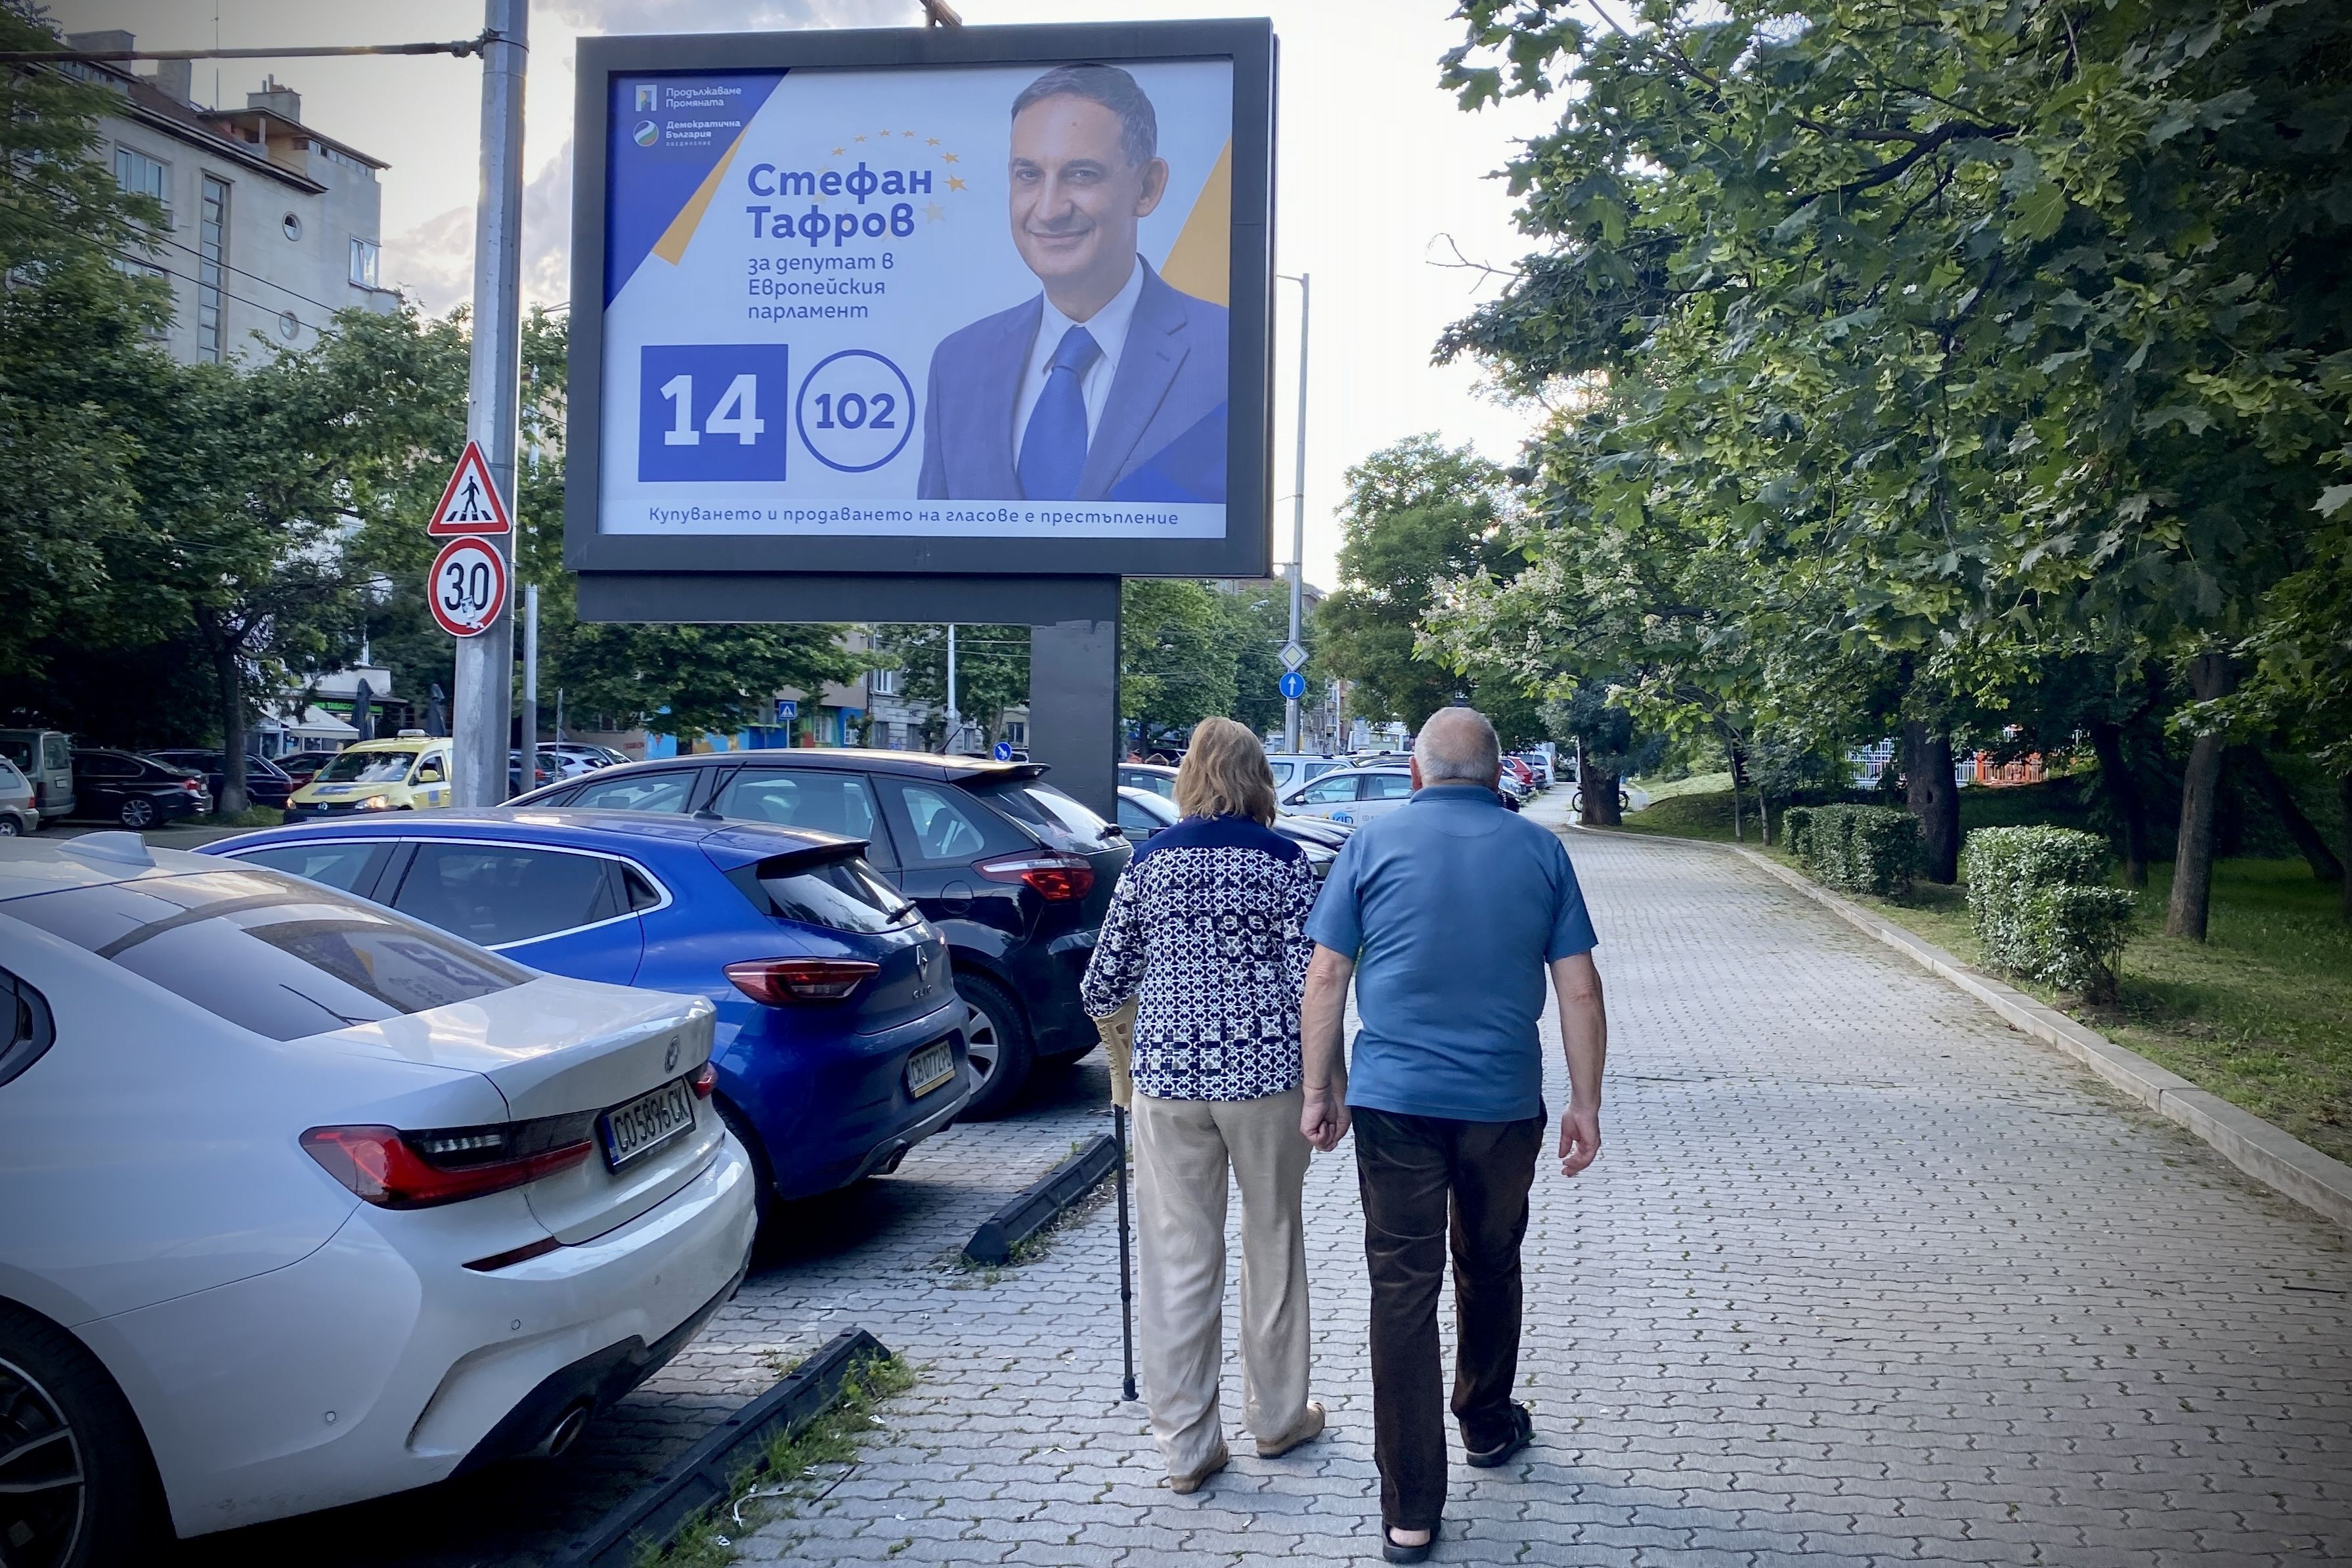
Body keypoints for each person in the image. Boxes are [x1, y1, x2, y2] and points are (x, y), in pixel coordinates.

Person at [1299, 706, 1609, 1564]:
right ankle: (1483, 1424)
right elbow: (1579, 990)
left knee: (1402, 1289)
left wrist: (1318, 1088)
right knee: (1488, 1259)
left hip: (1394, 1103)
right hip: (1501, 1107)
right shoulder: (1541, 851)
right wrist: (1584, 1103)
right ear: (1501, 775)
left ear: (1415, 773)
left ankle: (1409, 1509)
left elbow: (1327, 972)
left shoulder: (1368, 844)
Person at [1080, 717, 1326, 1493]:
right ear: (1260, 780)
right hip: (1265, 1080)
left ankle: (1188, 1446)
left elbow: (1100, 986)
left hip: (1170, 1084)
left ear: (1188, 776)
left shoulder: (1147, 864)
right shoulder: (1286, 863)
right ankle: (1280, 1420)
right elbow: (1308, 984)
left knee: (1180, 1258)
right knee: (1274, 1243)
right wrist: (1328, 1083)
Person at [917, 62, 1228, 504]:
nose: (1048, 209)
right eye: (1028, 175)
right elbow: (936, 555)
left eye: (1081, 174)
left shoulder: (1225, 353)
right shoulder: (958, 364)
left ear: (1147, 187)